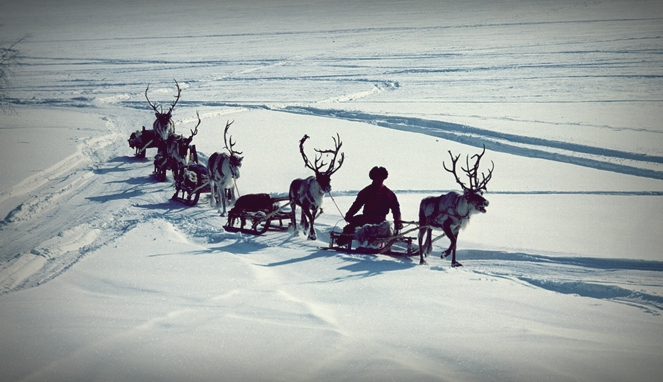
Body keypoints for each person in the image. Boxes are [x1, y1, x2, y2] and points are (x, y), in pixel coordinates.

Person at [337, 166, 402, 245]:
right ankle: (341, 244)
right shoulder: (366, 191)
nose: (379, 181)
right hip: (366, 218)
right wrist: (349, 215)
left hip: (380, 220)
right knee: (349, 227)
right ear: (373, 178)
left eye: (381, 179)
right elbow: (357, 204)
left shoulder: (389, 194)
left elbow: (396, 209)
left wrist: (398, 221)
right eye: (377, 178)